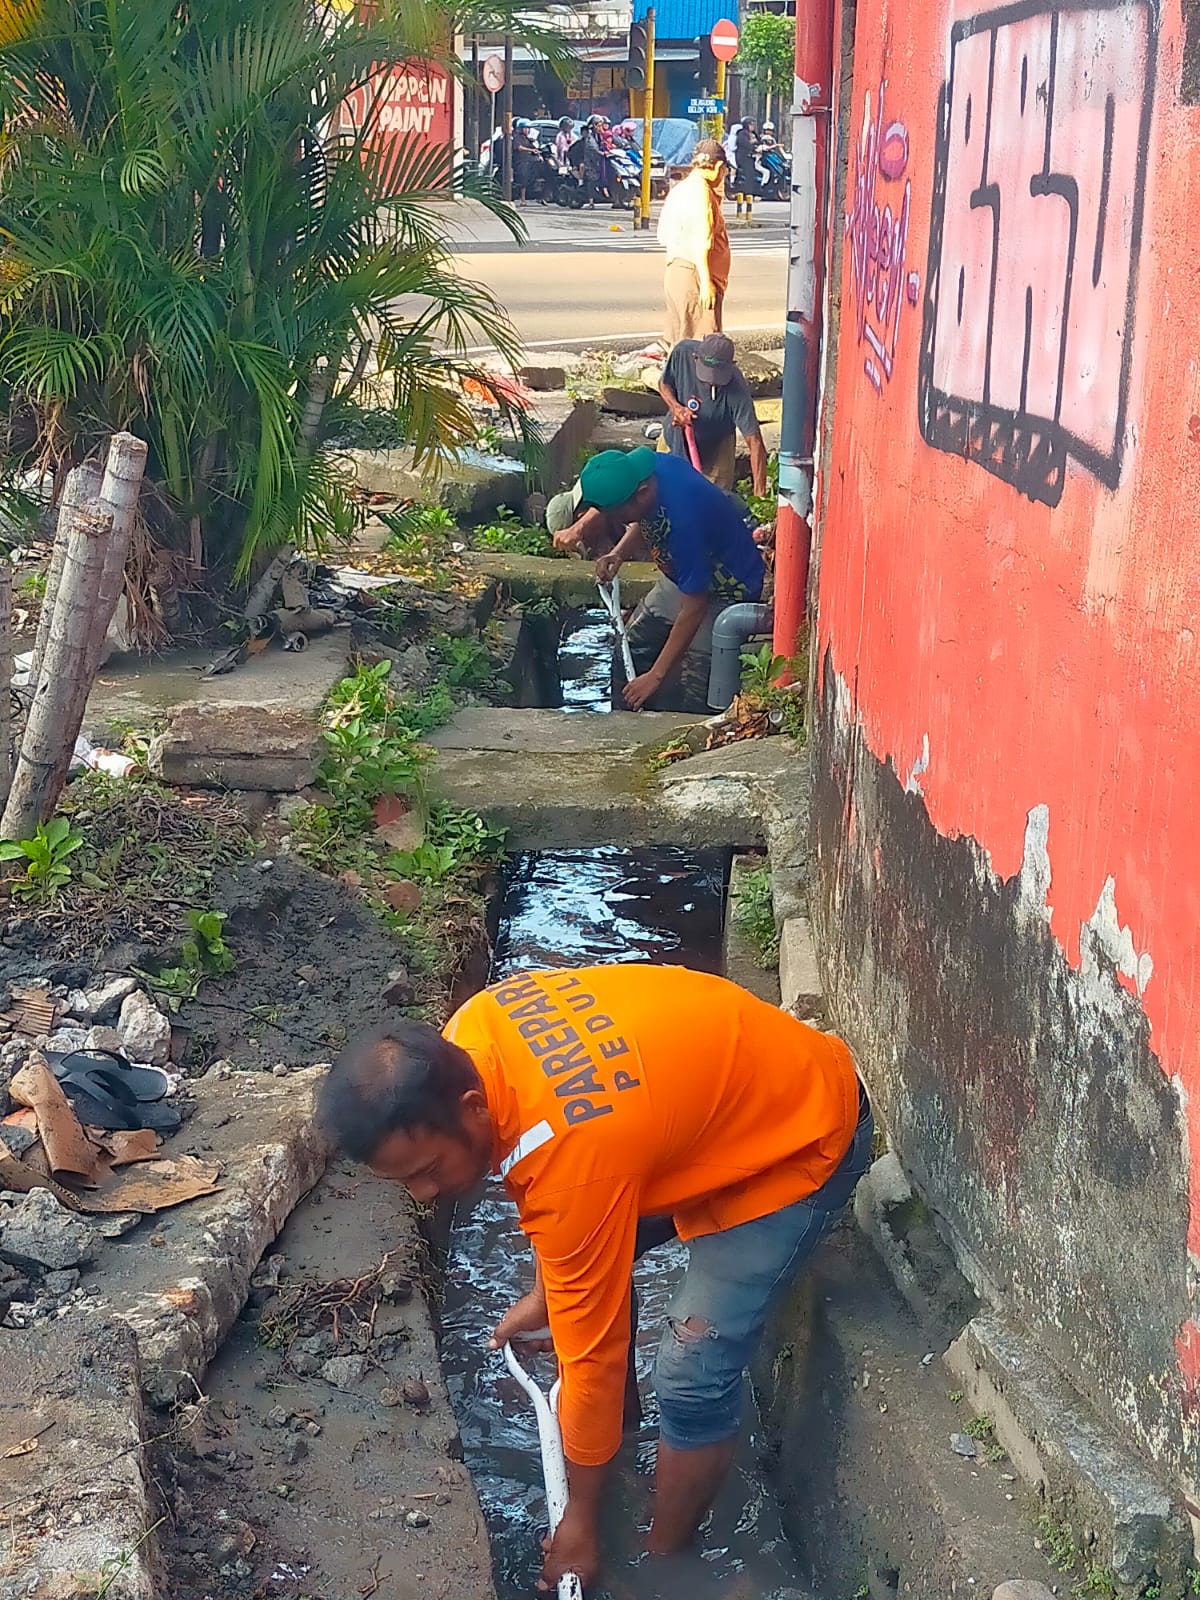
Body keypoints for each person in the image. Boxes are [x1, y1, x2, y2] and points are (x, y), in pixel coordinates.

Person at [316, 966, 873, 1591]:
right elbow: (556, 1192)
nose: (423, 1194)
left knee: (691, 1372)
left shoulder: (574, 1162)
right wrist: (550, 1293)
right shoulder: (473, 1031)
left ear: (472, 1110)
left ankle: (665, 1557)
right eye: (405, 1181)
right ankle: (625, 1436)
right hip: (724, 1096)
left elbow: (590, 1356)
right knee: (589, 1296)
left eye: (427, 1170)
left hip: (803, 1135)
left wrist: (579, 1523)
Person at [578, 445, 764, 711]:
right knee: (632, 650)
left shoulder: (683, 521)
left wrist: (655, 676)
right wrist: (618, 553)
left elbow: (695, 606)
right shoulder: (648, 469)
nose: (617, 522)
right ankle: (627, 724)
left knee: (696, 687)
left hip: (727, 589)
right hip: (682, 578)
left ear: (641, 494)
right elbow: (646, 518)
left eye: (618, 515)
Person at [658, 332, 768, 494]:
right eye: (707, 372)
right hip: (675, 435)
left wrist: (760, 495)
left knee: (715, 500)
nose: (712, 381)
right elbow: (664, 384)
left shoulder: (737, 387)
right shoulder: (682, 352)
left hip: (718, 445)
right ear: (695, 358)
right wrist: (676, 408)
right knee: (666, 493)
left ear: (732, 366)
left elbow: (755, 442)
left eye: (719, 374)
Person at [656, 139, 731, 345]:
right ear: (719, 166)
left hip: (676, 272)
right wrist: (706, 284)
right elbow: (701, 240)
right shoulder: (701, 192)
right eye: (724, 170)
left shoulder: (682, 189)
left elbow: (663, 235)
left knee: (680, 345)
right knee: (704, 347)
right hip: (695, 276)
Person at [734, 118, 759, 197]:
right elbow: (745, 144)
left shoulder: (753, 134)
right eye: (751, 125)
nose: (753, 126)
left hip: (751, 157)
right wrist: (753, 146)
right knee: (748, 174)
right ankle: (747, 192)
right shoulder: (742, 134)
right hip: (743, 157)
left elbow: (759, 141)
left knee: (752, 174)